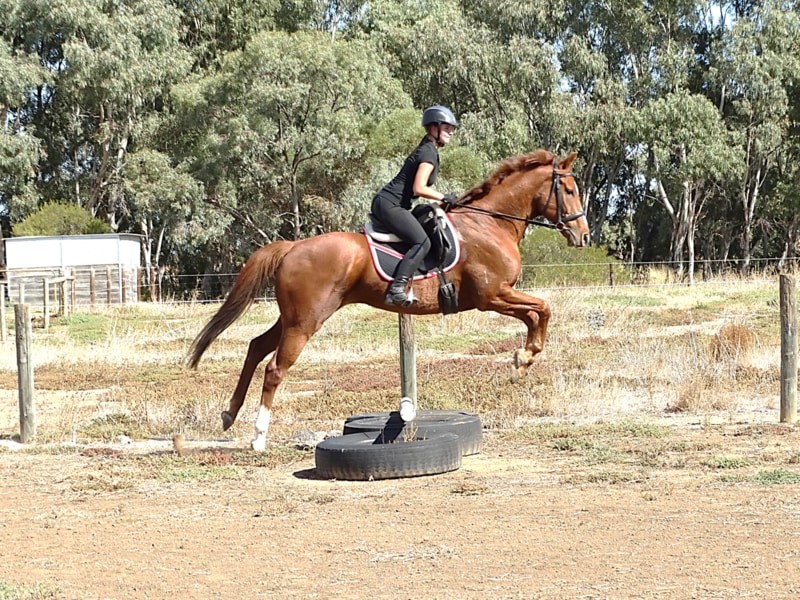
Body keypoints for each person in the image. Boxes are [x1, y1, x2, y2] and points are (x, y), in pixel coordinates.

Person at [371, 105, 459, 306]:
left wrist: (441, 201)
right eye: (446, 128)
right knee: (423, 242)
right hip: (390, 204)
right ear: (434, 128)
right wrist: (443, 196)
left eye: (451, 129)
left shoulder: (428, 150)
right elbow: (419, 188)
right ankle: (397, 289)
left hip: (391, 203)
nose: (450, 132)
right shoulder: (428, 152)